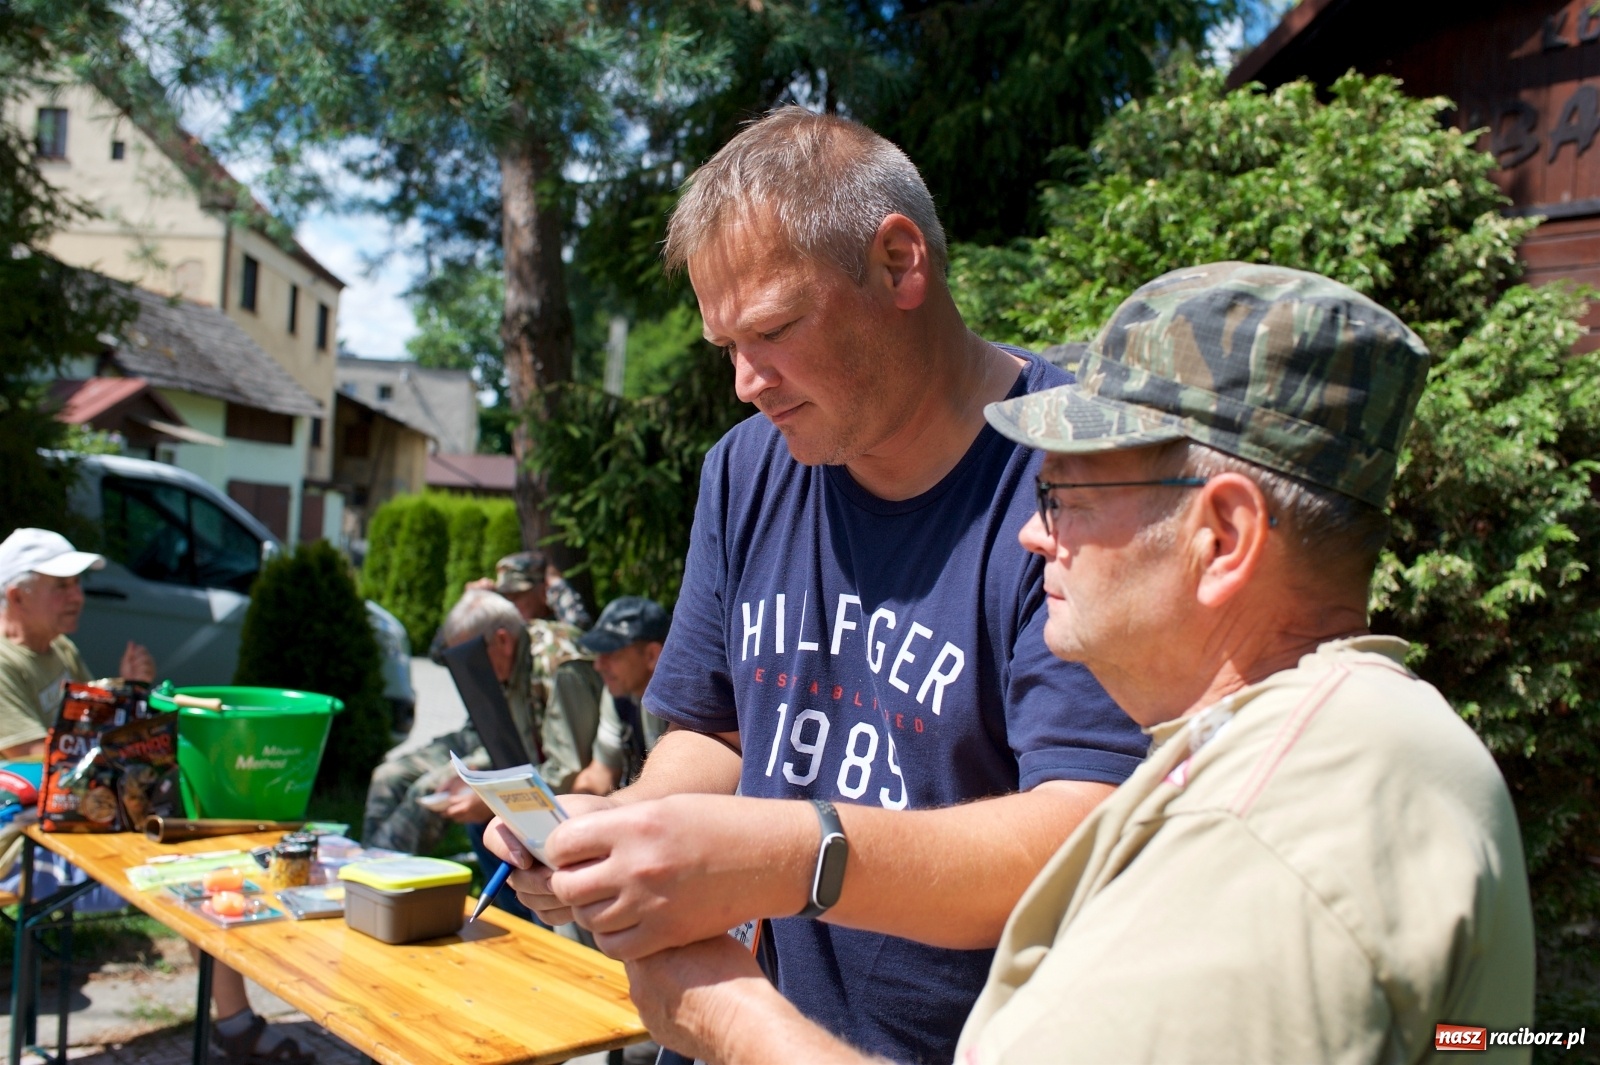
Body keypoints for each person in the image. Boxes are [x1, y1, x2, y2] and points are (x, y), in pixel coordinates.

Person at [618, 262, 1537, 1063]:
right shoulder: (1349, 746)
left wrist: (730, 1016)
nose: (1030, 530)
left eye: (1067, 497)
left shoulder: (1262, 832)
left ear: (1222, 536)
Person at [484, 107, 1146, 1064]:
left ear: (898, 262)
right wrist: (632, 831)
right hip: (733, 1027)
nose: (747, 381)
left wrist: (774, 855)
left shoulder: (1068, 479)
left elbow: (1082, 829)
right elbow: (714, 727)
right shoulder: (747, 469)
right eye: (726, 347)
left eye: (775, 329)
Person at [0, 529, 315, 1065]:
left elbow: (91, 736)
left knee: (195, 860)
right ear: (15, 596)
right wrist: (124, 712)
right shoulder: (5, 665)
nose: (77, 595)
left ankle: (235, 1022)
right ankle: (236, 1026)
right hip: (21, 850)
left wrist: (128, 696)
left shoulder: (59, 651)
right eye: (62, 585)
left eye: (78, 583)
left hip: (80, 828)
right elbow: (43, 755)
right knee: (181, 876)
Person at [362, 588, 601, 855]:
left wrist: (491, 800)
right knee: (389, 775)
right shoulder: (510, 656)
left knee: (429, 790)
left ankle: (380, 871)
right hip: (511, 759)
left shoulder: (562, 666)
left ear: (502, 641)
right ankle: (368, 867)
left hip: (561, 793)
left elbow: (566, 770)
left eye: (470, 658)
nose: (467, 671)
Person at [570, 597, 670, 795]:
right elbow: (601, 772)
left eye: (610, 653)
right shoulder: (618, 694)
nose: (598, 666)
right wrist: (564, 818)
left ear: (651, 655)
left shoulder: (688, 703)